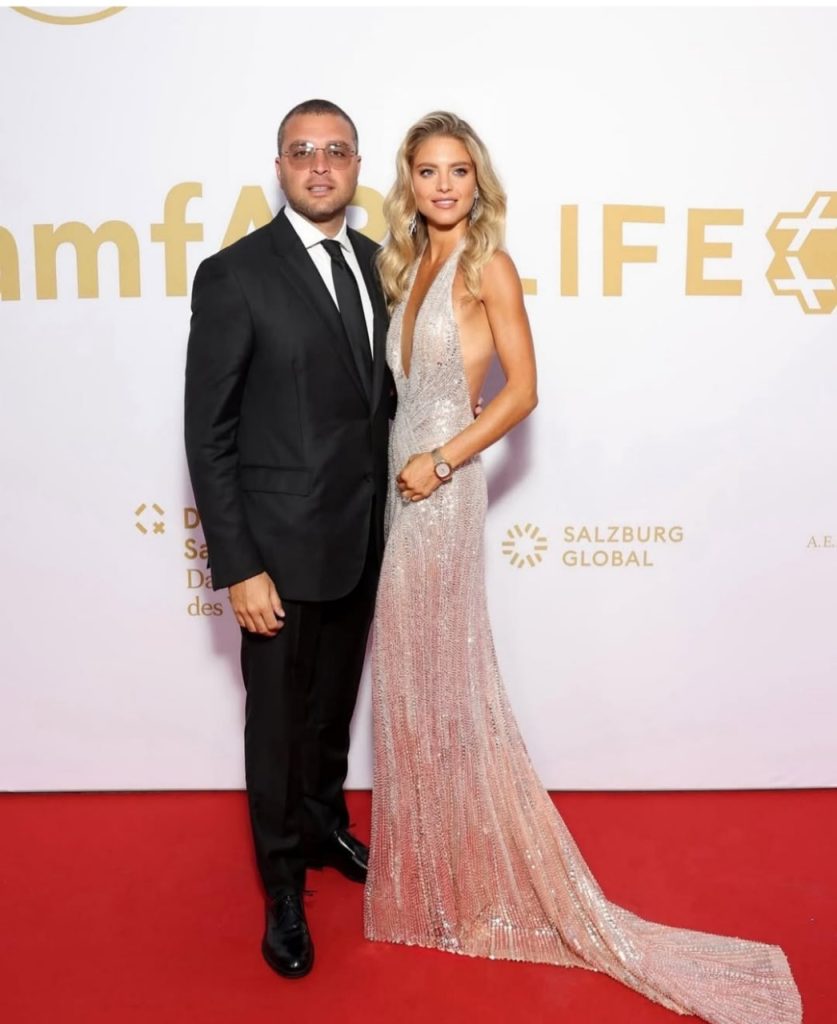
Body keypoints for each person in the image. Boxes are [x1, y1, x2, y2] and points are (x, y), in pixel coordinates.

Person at [363, 111, 802, 1024]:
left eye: (457, 171)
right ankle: (433, 883)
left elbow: (523, 390)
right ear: (408, 182)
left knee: (444, 680)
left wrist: (442, 460)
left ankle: (464, 884)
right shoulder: (404, 268)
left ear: (477, 181)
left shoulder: (486, 264)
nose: (442, 186)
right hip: (399, 489)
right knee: (413, 681)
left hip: (439, 491)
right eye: (427, 171)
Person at [185, 99, 392, 980]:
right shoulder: (234, 275)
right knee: (275, 727)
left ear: (357, 167)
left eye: (336, 151)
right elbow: (209, 435)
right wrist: (239, 565)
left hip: (361, 537)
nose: (319, 165)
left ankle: (323, 827)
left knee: (331, 706)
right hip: (274, 550)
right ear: (279, 166)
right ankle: (280, 888)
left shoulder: (381, 263)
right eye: (302, 151)